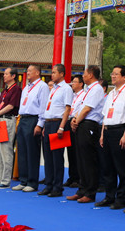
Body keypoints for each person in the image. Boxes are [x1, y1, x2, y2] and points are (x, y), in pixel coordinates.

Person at [97, 64, 125, 209]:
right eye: (112, 74)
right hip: (107, 131)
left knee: (121, 167)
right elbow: (105, 115)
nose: (112, 76)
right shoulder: (111, 93)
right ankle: (109, 196)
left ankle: (120, 199)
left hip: (120, 131)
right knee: (107, 167)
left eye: (116, 74)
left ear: (124, 77)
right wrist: (102, 134)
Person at [67, 65, 105, 203]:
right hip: (82, 122)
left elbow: (88, 109)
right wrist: (75, 119)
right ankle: (82, 189)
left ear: (91, 75)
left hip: (89, 124)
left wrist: (77, 120)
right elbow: (81, 107)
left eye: (84, 74)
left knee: (89, 160)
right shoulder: (88, 90)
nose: (83, 76)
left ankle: (90, 192)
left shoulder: (96, 89)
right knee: (80, 159)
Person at [14, 65, 49, 192]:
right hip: (23, 118)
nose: (27, 73)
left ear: (37, 73)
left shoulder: (42, 86)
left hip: (33, 119)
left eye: (30, 71)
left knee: (32, 151)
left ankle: (32, 182)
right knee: (22, 150)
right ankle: (23, 180)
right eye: (27, 70)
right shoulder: (26, 87)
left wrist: (40, 124)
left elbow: (43, 106)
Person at [40, 64, 73, 197]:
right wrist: (43, 125)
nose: (52, 75)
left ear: (61, 74)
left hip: (58, 124)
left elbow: (67, 109)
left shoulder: (66, 89)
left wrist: (61, 126)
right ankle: (49, 184)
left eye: (54, 73)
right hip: (48, 123)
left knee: (57, 157)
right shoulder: (52, 89)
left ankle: (57, 187)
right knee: (47, 156)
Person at [64, 75, 84, 188]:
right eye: (72, 82)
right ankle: (71, 177)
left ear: (81, 84)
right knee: (70, 152)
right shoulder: (72, 95)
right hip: (68, 122)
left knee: (77, 152)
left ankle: (78, 178)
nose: (73, 84)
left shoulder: (83, 95)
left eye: (75, 82)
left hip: (77, 123)